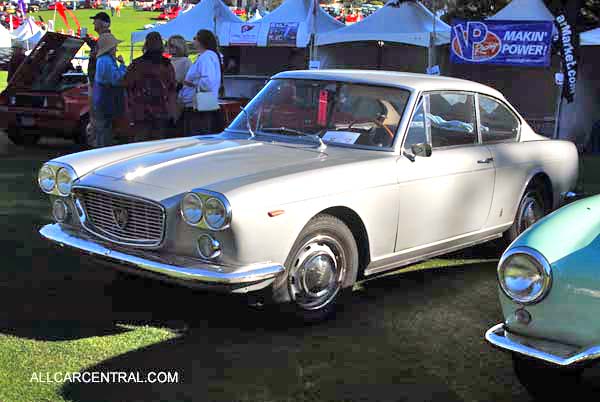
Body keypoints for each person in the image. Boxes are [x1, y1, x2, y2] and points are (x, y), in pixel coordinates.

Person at [124, 32, 177, 142]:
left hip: (141, 112)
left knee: (141, 145)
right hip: (162, 110)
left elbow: (127, 83)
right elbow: (172, 88)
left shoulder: (137, 64)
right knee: (158, 145)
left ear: (146, 45)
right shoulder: (167, 65)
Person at [178, 29, 224, 136]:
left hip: (198, 106)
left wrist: (189, 83)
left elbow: (207, 81)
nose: (193, 41)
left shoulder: (206, 57)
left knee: (196, 135)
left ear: (201, 41)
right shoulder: (208, 56)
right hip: (199, 105)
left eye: (195, 38)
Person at [92, 33, 127, 147]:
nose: (116, 48)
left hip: (101, 100)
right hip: (106, 101)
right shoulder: (106, 61)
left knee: (102, 130)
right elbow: (117, 80)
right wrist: (122, 65)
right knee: (105, 132)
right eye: (114, 46)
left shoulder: (103, 60)